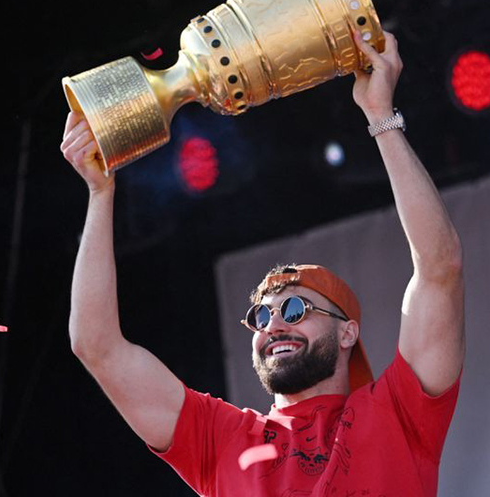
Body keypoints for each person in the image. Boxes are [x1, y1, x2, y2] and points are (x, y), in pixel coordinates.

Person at [60, 30, 465, 497]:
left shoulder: (400, 411)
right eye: (261, 316)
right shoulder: (217, 438)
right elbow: (95, 345)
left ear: (348, 331)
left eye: (295, 310)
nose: (273, 325)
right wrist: (100, 192)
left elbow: (440, 267)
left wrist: (379, 116)